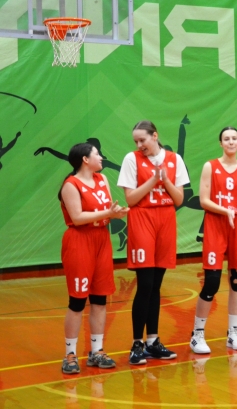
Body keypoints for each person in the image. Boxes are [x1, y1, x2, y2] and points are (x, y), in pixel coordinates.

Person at [118, 120, 189, 365]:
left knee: (156, 285)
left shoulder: (174, 159)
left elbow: (179, 199)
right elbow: (131, 199)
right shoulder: (131, 159)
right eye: (136, 141)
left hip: (165, 219)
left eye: (143, 140)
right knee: (145, 284)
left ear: (155, 136)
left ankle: (153, 341)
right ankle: (137, 343)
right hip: (142, 219)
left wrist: (165, 180)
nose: (139, 145)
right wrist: (152, 180)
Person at [59, 143, 129, 374]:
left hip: (101, 239)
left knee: (100, 299)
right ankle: (70, 354)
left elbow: (107, 209)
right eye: (97, 154)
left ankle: (96, 351)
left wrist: (116, 213)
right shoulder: (70, 185)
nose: (101, 157)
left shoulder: (102, 179)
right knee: (77, 301)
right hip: (80, 240)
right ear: (85, 159)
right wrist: (109, 213)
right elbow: (77, 217)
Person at [189, 127, 237, 354]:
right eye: (226, 139)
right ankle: (197, 334)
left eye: (234, 138)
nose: (231, 142)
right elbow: (204, 200)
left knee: (236, 280)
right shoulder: (210, 166)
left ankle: (233, 332)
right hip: (216, 224)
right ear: (221, 143)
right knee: (212, 281)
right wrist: (225, 209)